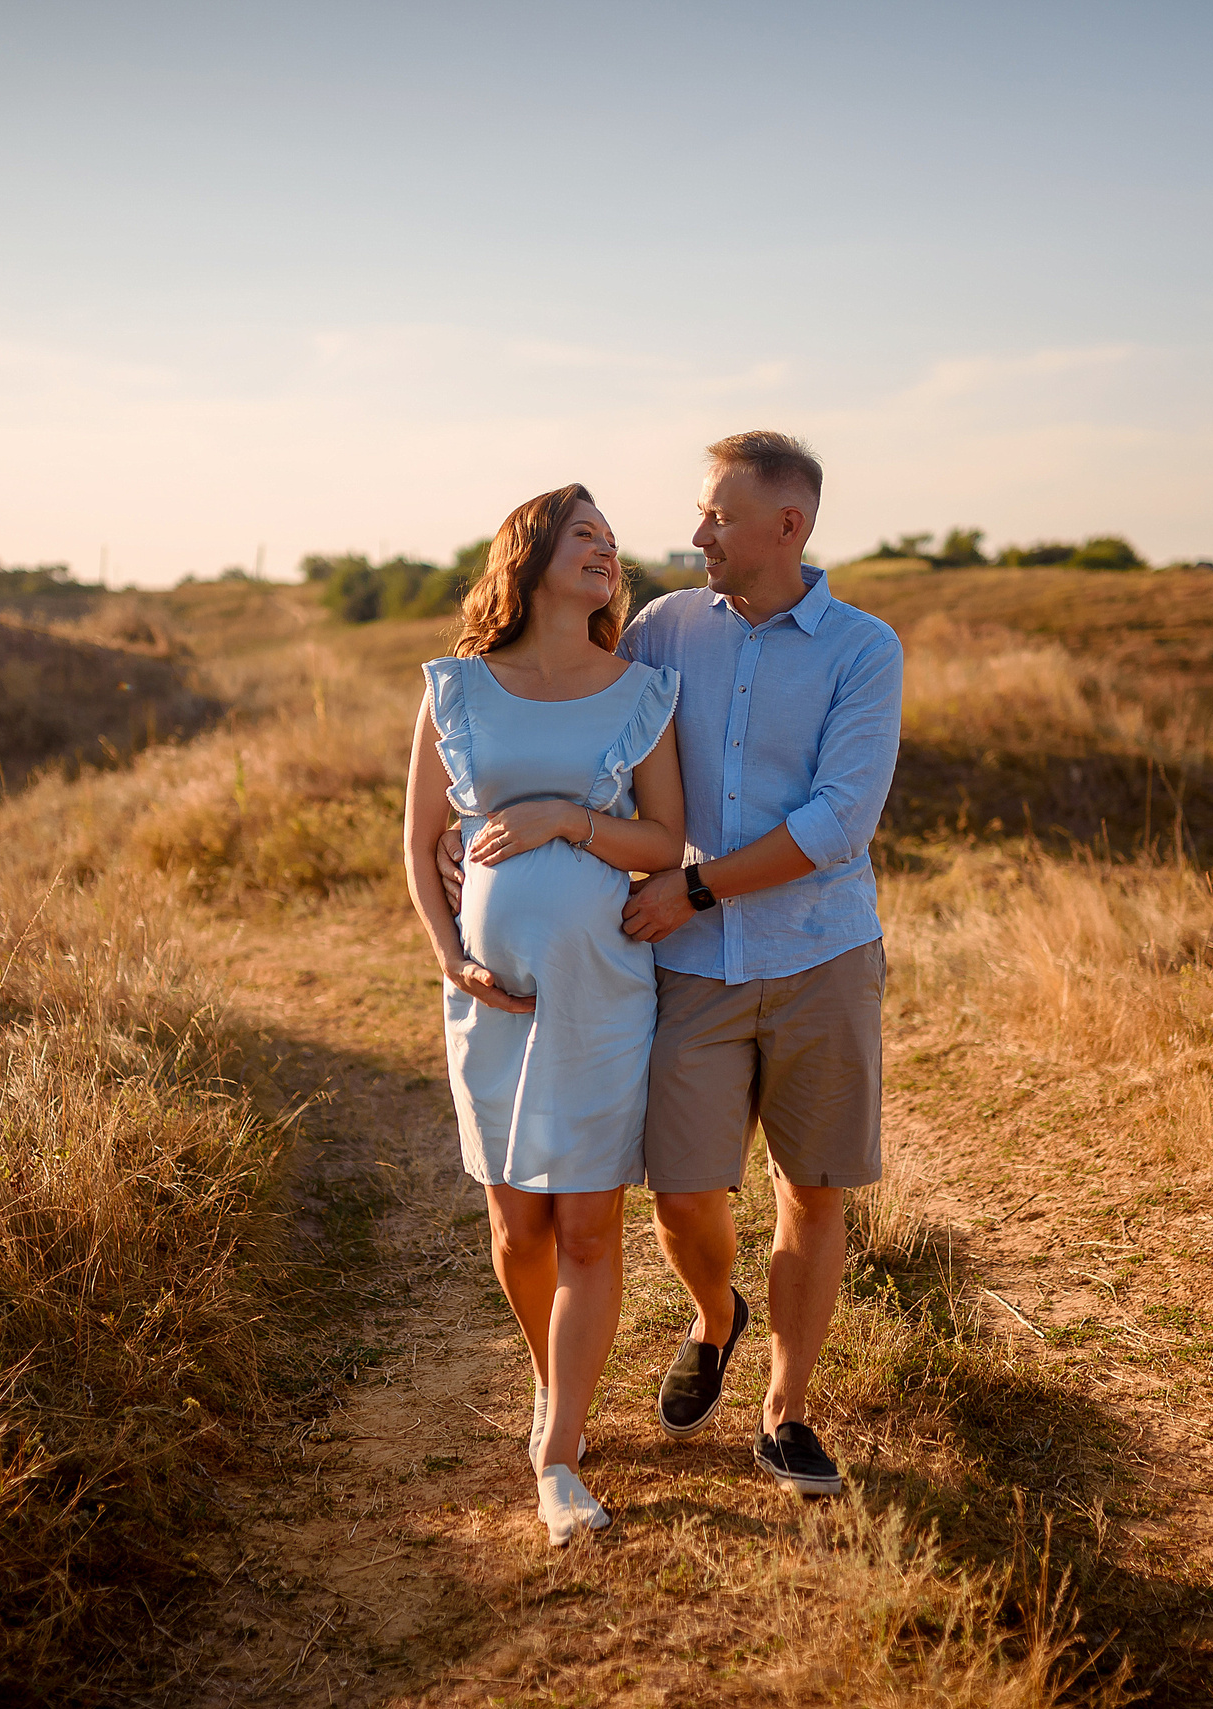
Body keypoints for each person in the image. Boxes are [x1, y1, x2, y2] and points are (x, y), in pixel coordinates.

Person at [444, 432, 904, 1499]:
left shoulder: (862, 648)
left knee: (812, 1191)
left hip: (818, 953)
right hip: (688, 968)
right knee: (685, 1198)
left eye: (718, 516)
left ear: (786, 527)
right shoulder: (660, 631)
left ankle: (785, 1413)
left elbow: (839, 820)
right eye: (700, 512)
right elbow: (588, 729)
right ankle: (713, 1313)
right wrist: (462, 821)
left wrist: (692, 885)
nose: (694, 532)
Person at [401, 482, 685, 1547]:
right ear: (528, 557)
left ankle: (558, 1453)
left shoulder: (641, 690)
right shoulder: (456, 689)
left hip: (606, 990)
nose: (608, 553)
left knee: (589, 1222)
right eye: (585, 536)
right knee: (516, 1220)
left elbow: (666, 840)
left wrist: (567, 819)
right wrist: (450, 957)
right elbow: (420, 844)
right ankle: (549, 1385)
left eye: (613, 541)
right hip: (488, 992)